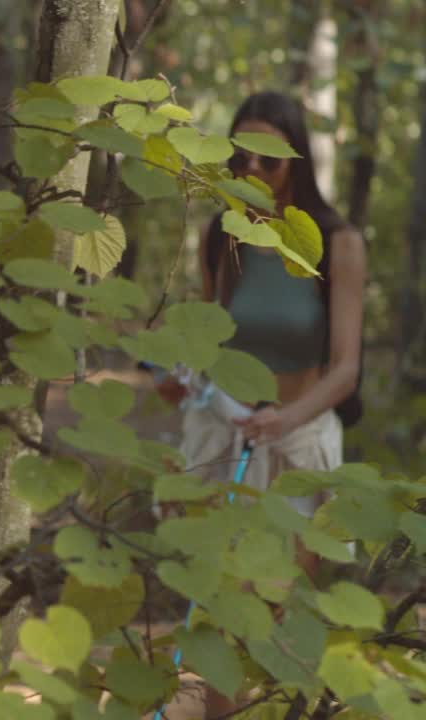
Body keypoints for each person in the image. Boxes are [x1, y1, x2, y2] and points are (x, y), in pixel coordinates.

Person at [158, 90, 365, 718]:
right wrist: (182, 374)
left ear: (296, 162)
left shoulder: (336, 241)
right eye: (240, 157)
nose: (252, 172)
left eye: (267, 160)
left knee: (277, 609)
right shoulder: (222, 238)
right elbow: (212, 335)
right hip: (227, 434)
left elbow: (347, 368)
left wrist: (287, 418)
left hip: (298, 440)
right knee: (223, 604)